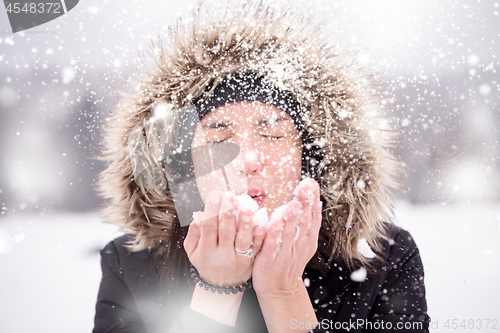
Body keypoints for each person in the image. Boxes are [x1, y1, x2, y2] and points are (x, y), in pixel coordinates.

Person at [93, 2, 430, 332]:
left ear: (310, 157)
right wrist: (216, 292)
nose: (249, 160)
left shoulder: (381, 260)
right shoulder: (131, 263)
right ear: (182, 165)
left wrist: (284, 293)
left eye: (272, 134)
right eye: (218, 139)